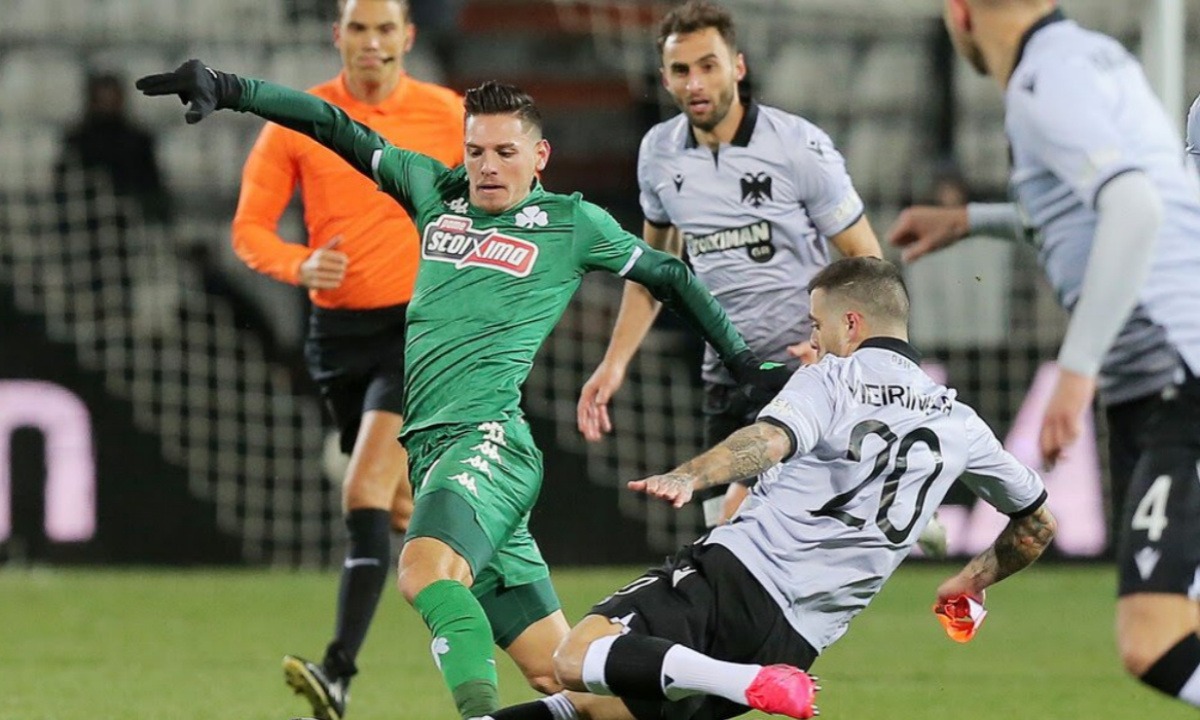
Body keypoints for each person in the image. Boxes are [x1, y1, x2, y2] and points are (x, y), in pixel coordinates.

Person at [136, 61, 788, 720]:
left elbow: (670, 275)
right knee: (561, 675)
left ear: (539, 156)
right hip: (434, 454)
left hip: (488, 443)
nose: (487, 166)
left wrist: (742, 362)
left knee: (423, 571)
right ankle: (730, 690)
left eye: (506, 151)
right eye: (475, 151)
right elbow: (334, 126)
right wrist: (233, 88)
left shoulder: (571, 223)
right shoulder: (433, 192)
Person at [481, 257, 1055, 720]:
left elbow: (769, 439)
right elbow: (1036, 525)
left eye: (817, 324)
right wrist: (970, 582)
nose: (813, 338)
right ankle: (753, 680)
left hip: (739, 578)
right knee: (592, 709)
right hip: (796, 642)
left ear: (851, 324)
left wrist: (693, 474)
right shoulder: (961, 424)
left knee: (573, 657)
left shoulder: (833, 378)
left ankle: (749, 683)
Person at [888, 0, 1200, 708]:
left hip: (1177, 375)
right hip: (1159, 380)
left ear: (960, 12)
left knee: (1153, 639)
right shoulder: (1096, 61)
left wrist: (1077, 369)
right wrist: (972, 220)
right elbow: (1084, 217)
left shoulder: (1043, 82)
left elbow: (1136, 209)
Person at [230, 1, 464, 717]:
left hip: (418, 329)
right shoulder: (299, 121)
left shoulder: (448, 115)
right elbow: (248, 230)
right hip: (335, 338)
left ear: (408, 37)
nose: (371, 42)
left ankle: (337, 671)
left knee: (362, 488)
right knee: (398, 504)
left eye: (385, 28)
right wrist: (299, 265)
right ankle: (501, 598)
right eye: (358, 28)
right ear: (338, 36)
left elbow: (504, 202)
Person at [576, 0, 883, 530]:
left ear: (737, 67)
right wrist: (614, 362)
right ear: (665, 79)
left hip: (800, 373)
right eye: (681, 70)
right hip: (726, 376)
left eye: (708, 66)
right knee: (728, 541)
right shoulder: (659, 153)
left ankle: (884, 493)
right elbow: (654, 276)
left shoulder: (797, 146)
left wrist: (833, 346)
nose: (695, 83)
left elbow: (867, 261)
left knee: (738, 534)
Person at [57, 72, 172, 226]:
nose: (107, 104)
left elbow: (152, 186)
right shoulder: (77, 140)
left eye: (112, 98)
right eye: (102, 99)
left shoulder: (139, 140)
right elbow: (64, 186)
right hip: (87, 221)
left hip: (131, 221)